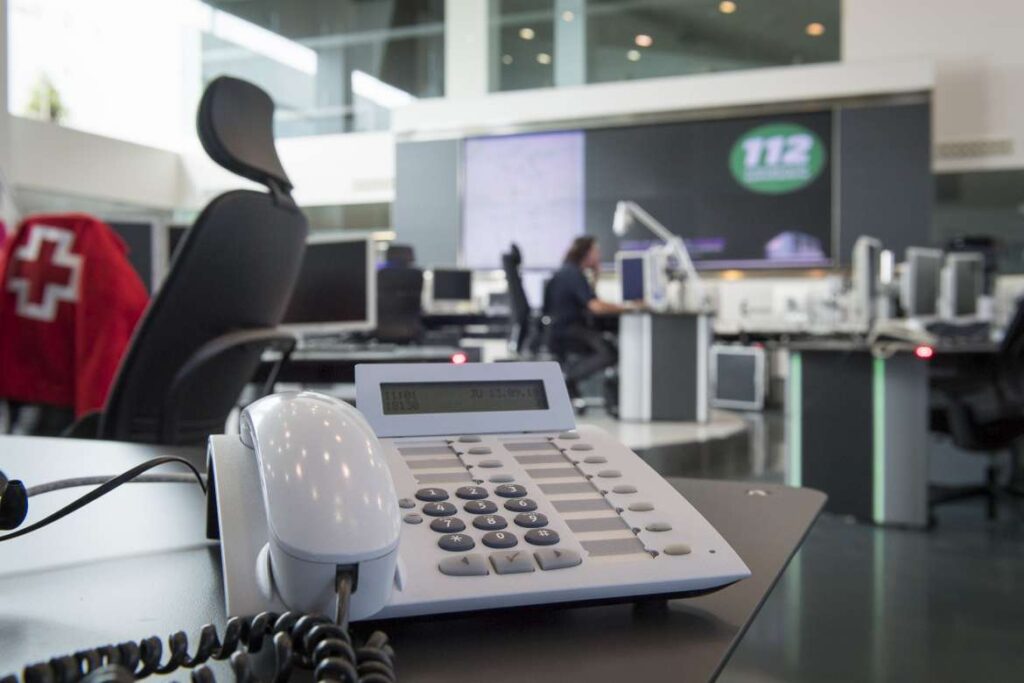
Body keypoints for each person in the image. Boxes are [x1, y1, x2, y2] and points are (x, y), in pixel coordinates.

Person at [545, 236, 629, 402]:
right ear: (586, 253)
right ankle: (568, 379)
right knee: (609, 352)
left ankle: (570, 379)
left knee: (606, 346)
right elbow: (595, 306)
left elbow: (588, 299)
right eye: (596, 251)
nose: (599, 255)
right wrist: (627, 307)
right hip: (568, 330)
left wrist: (596, 276)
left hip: (564, 328)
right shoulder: (573, 274)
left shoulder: (570, 271)